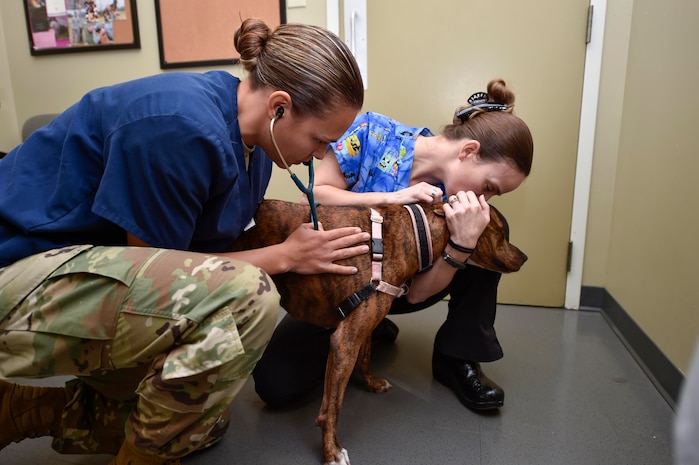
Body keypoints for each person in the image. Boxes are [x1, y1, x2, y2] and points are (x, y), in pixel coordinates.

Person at [0, 18, 366, 465]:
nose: (321, 156)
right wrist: (284, 257)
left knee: (196, 421)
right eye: (320, 140)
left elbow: (195, 262)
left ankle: (17, 411)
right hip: (19, 266)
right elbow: (151, 265)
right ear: (280, 108)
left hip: (87, 273)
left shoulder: (256, 151)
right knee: (251, 296)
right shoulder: (179, 126)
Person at [252, 78, 533, 412]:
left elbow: (417, 294)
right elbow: (314, 195)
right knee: (276, 386)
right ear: (468, 151)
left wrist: (462, 244)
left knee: (488, 227)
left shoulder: (457, 202)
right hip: (341, 285)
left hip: (403, 289)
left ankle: (458, 358)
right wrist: (393, 198)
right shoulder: (371, 133)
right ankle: (372, 327)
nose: (482, 198)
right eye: (488, 186)